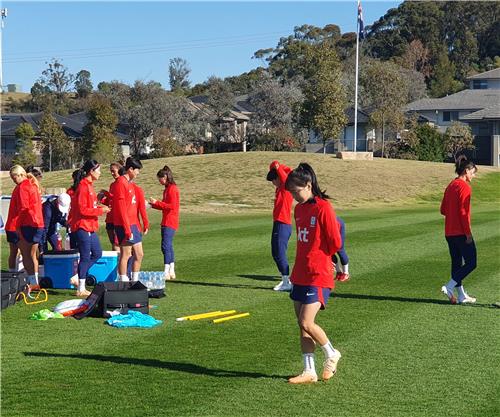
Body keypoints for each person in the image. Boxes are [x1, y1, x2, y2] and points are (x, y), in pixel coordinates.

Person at [284, 163, 343, 384]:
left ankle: (331, 353)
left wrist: (333, 261)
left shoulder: (323, 208)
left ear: (308, 185)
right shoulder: (299, 210)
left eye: (296, 191)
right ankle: (309, 370)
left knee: (307, 322)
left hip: (318, 274)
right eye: (290, 193)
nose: (294, 196)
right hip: (300, 273)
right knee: (301, 325)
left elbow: (335, 241)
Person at [440, 155, 478, 304]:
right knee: (471, 262)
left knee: (456, 263)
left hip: (449, 232)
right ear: (466, 170)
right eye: (473, 172)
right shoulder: (465, 187)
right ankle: (449, 287)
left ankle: (461, 295)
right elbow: (463, 212)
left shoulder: (451, 185)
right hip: (461, 232)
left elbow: (443, 210)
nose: (473, 176)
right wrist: (468, 234)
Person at [71, 160, 110, 297]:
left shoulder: (89, 186)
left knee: (97, 253)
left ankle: (77, 277)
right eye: (98, 170)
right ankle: (80, 287)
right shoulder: (83, 187)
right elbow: (83, 210)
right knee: (86, 256)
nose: (100, 173)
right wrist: (101, 211)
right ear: (91, 171)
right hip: (83, 226)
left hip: (90, 226)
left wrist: (100, 207)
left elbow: (90, 207)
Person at [9, 165, 44, 286]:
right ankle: (35, 281)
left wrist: (18, 226)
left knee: (25, 255)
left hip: (27, 224)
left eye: (14, 178)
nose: (14, 181)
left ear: (20, 175)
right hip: (38, 223)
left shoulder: (22, 187)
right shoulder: (33, 184)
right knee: (32, 255)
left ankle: (31, 283)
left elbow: (24, 208)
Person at [113, 157, 144, 282]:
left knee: (139, 254)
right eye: (137, 170)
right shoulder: (121, 182)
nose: (138, 173)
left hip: (133, 224)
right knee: (126, 254)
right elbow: (121, 209)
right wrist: (127, 229)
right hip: (124, 225)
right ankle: (123, 281)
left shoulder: (130, 183)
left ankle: (134, 280)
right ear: (130, 169)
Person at [149, 165, 180, 280]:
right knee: (168, 246)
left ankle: (167, 271)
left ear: (165, 177)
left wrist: (157, 202)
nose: (159, 181)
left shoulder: (172, 189)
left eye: (160, 179)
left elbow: (171, 206)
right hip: (167, 220)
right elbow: (164, 206)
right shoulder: (168, 189)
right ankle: (171, 270)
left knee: (165, 246)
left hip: (170, 221)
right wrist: (153, 205)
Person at [266, 160, 294, 291]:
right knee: (275, 252)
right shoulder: (280, 188)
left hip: (283, 224)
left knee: (279, 253)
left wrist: (275, 167)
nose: (273, 182)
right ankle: (286, 280)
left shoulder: (285, 185)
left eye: (273, 179)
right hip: (279, 223)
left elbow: (277, 164)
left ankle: (286, 281)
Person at [99, 162, 125, 251]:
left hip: (117, 219)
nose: (112, 173)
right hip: (109, 218)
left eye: (113, 171)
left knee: (117, 245)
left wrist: (107, 194)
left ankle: (119, 264)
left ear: (120, 170)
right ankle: (117, 263)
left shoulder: (122, 183)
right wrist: (102, 200)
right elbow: (111, 202)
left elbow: (119, 200)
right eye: (111, 171)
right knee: (113, 243)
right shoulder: (113, 184)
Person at [332, 216, 350, 282]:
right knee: (328, 251)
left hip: (338, 225)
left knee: (339, 249)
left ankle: (346, 273)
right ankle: (339, 272)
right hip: (329, 227)